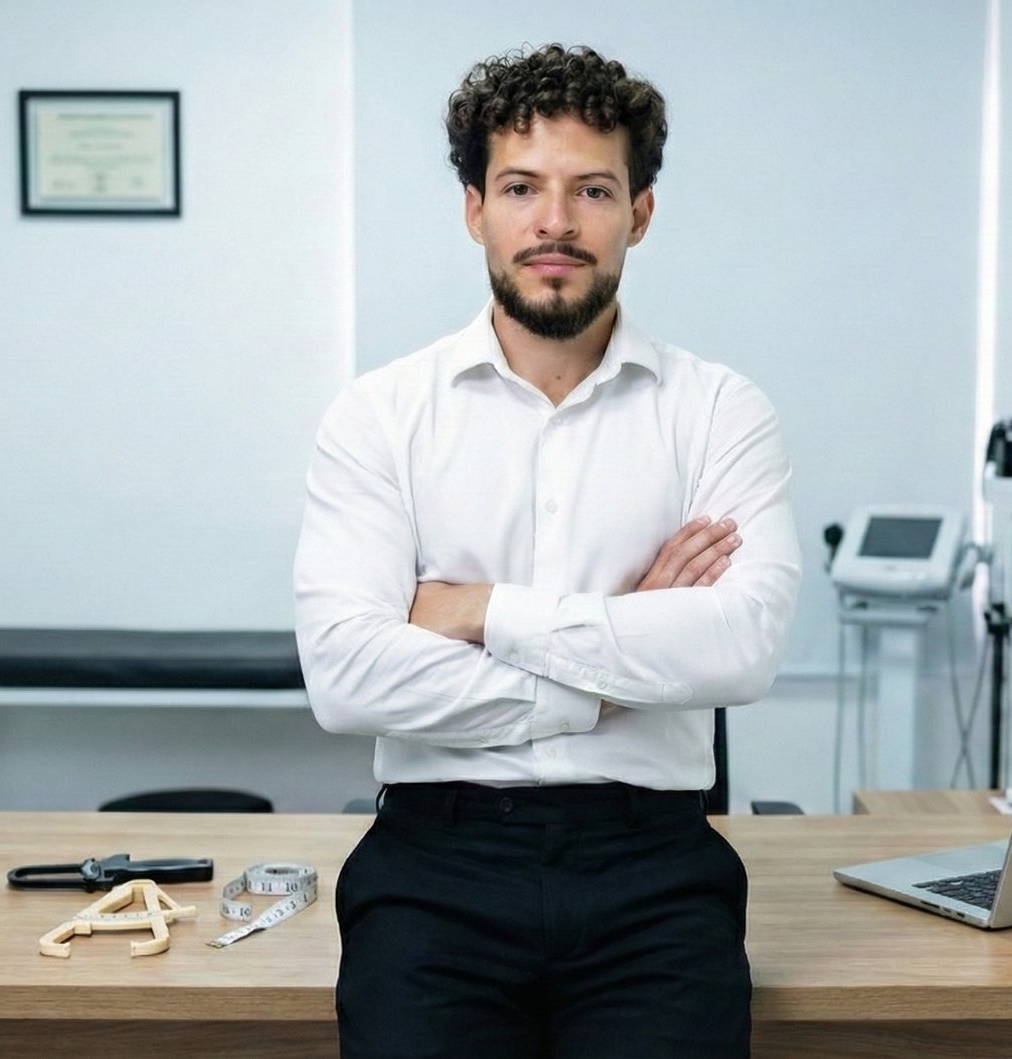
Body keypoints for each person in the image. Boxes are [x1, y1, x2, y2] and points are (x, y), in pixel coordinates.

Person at [294, 42, 800, 1059]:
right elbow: (346, 678)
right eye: (522, 187)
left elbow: (740, 648)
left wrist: (482, 610)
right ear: (475, 207)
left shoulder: (717, 411)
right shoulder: (381, 416)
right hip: (434, 874)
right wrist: (614, 674)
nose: (556, 223)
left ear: (640, 213)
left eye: (592, 190)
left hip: (655, 874)